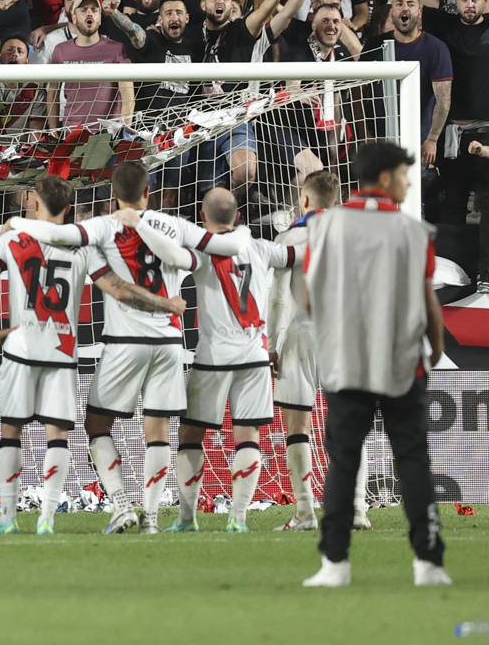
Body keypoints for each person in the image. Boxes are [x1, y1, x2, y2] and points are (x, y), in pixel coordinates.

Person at [11, 161, 242, 534]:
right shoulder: (170, 225)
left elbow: (62, 235)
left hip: (125, 342)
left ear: (113, 196)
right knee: (159, 431)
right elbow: (216, 247)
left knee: (97, 424)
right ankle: (151, 518)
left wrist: (18, 224)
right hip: (169, 341)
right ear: (148, 192)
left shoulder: (104, 225)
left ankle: (121, 504)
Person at [300, 140, 449, 588]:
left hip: (346, 363)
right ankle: (428, 563)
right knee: (412, 461)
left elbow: (309, 297)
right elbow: (428, 301)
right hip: (403, 363)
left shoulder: (325, 227)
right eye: (405, 175)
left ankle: (335, 565)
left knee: (344, 461)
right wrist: (435, 347)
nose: (408, 182)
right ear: (385, 178)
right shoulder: (413, 231)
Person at [137, 188, 295, 534]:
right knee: (247, 434)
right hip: (255, 354)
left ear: (203, 219)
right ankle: (237, 518)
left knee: (191, 434)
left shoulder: (202, 251)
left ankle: (186, 518)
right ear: (237, 217)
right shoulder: (263, 248)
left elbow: (172, 257)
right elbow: (299, 256)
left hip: (214, 357)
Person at [0, 175, 91, 535]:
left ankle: (7, 517)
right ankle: (47, 518)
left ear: (35, 203)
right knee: (58, 434)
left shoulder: (13, 238)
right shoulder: (82, 245)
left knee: (11, 431)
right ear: (68, 208)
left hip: (21, 347)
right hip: (62, 347)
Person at [269, 169, 347, 532]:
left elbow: (278, 298)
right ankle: (357, 509)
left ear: (304, 200)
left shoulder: (290, 235)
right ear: (337, 201)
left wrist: (271, 344)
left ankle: (304, 512)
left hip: (302, 332)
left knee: (297, 423)